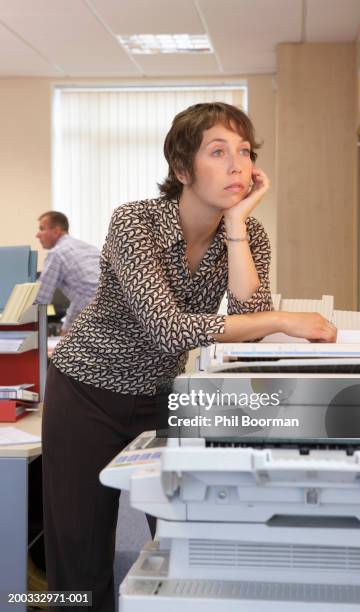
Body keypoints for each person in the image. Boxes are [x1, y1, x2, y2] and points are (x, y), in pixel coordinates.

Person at [42, 102, 337, 611]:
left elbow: (248, 317)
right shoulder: (135, 223)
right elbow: (169, 328)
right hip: (87, 392)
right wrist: (283, 320)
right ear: (182, 170)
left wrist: (239, 222)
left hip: (163, 397)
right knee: (80, 554)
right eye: (218, 152)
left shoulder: (247, 235)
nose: (236, 165)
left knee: (183, 539)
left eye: (244, 153)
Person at [35, 211, 100, 332]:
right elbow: (83, 296)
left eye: (42, 229)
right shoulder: (88, 248)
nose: (37, 235)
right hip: (122, 314)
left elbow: (41, 300)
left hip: (102, 320)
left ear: (56, 231)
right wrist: (65, 329)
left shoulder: (57, 253)